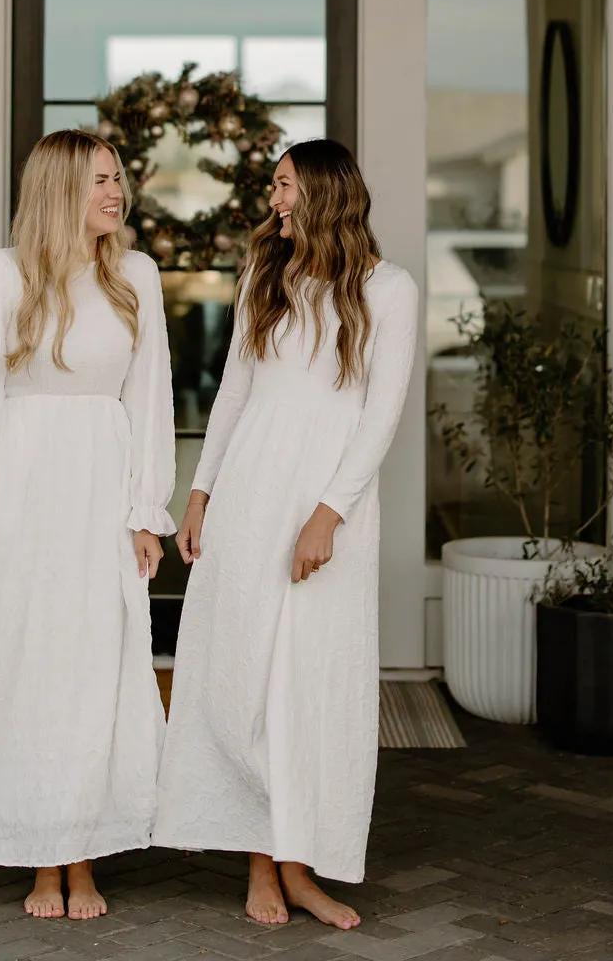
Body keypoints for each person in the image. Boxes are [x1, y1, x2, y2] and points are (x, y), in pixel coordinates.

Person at [0, 130, 176, 922]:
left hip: (99, 494)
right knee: (27, 668)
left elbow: (149, 400)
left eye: (118, 179)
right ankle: (42, 859)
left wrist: (146, 511)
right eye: (98, 182)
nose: (115, 194)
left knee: (92, 671)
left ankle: (81, 852)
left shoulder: (138, 276)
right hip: (22, 497)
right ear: (58, 191)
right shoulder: (3, 273)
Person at [153, 140, 418, 931]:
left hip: (326, 510)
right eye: (275, 187)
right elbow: (234, 389)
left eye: (284, 186)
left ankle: (299, 864)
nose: (274, 201)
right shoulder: (265, 274)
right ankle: (260, 865)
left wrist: (329, 513)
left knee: (311, 687)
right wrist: (198, 493)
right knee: (241, 677)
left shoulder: (388, 289)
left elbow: (382, 413)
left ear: (324, 196)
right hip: (249, 497)